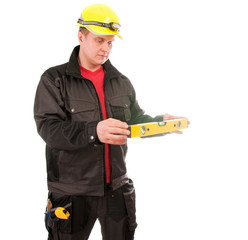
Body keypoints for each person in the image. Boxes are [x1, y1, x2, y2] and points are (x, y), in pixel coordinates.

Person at [34, 3, 187, 240]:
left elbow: (134, 122)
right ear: (80, 36)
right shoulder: (54, 79)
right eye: (99, 40)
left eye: (110, 42)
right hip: (72, 193)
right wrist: (93, 131)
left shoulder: (120, 81)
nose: (106, 48)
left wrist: (161, 123)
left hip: (116, 190)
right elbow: (48, 129)